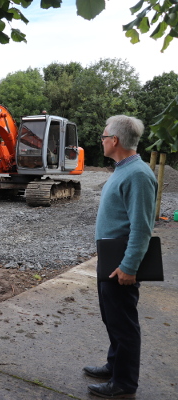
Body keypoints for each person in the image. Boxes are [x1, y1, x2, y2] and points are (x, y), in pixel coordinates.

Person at [84, 115, 157, 399]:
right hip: (110, 257)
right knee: (112, 319)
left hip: (121, 263)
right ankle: (114, 366)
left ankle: (124, 383)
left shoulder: (138, 174)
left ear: (114, 140)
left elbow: (142, 227)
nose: (101, 141)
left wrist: (129, 266)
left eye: (103, 136)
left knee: (124, 324)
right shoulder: (123, 169)